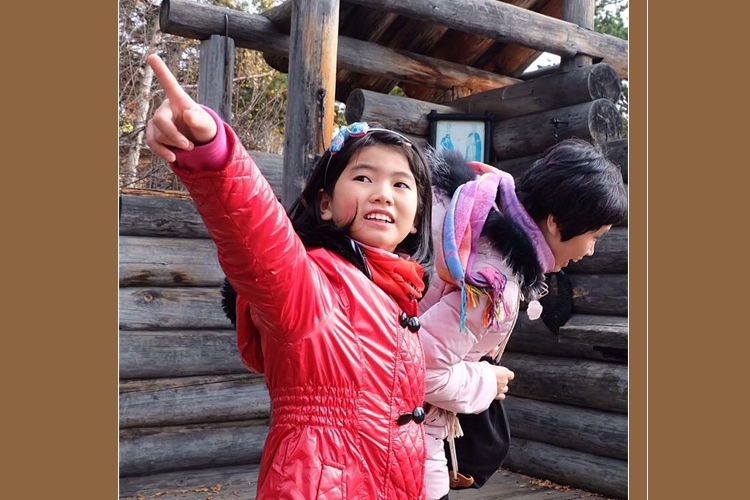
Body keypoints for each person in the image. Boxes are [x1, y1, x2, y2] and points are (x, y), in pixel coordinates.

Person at [144, 54, 435, 499]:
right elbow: (261, 242)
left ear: (416, 218)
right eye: (363, 177)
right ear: (325, 203)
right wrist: (214, 155)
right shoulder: (313, 283)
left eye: (401, 184)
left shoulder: (400, 294)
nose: (383, 194)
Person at [417, 140, 628, 500]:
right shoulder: (494, 282)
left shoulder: (463, 212)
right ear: (556, 223)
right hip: (407, 440)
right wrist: (487, 381)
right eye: (593, 236)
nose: (590, 251)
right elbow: (412, 368)